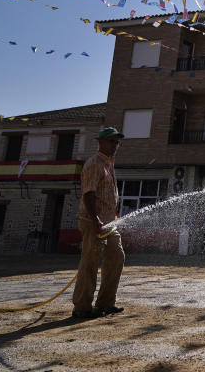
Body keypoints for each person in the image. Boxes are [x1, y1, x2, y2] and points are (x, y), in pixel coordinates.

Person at [72, 127, 126, 319]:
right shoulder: (94, 164)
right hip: (92, 221)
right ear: (101, 142)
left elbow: (107, 195)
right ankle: (82, 307)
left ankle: (105, 303)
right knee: (90, 263)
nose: (115, 145)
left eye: (117, 142)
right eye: (112, 141)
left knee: (117, 257)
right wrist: (95, 219)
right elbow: (89, 194)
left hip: (109, 223)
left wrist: (113, 213)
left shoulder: (109, 164)